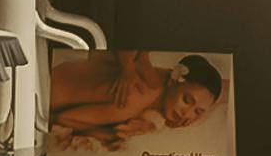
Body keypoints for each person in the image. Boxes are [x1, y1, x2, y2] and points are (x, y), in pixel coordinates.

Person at [48, 49, 224, 147]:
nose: (186, 113)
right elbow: (65, 118)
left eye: (197, 111)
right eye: (187, 100)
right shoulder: (136, 95)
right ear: (174, 80)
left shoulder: (158, 77)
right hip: (42, 93)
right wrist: (110, 136)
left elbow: (224, 88)